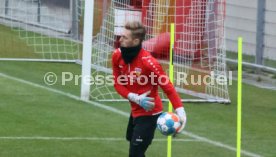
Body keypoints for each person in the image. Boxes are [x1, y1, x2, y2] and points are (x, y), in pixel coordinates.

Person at [112, 21, 187, 157]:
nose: (120, 39)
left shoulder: (149, 63)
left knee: (136, 153)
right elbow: (117, 83)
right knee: (132, 141)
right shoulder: (117, 55)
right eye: (121, 36)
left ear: (135, 41)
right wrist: (135, 98)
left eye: (125, 37)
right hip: (135, 109)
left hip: (149, 112)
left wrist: (181, 112)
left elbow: (168, 87)